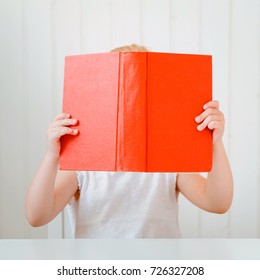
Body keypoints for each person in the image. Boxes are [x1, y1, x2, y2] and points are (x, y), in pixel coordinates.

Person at [25, 44, 233, 238]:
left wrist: (215, 143)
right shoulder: (83, 163)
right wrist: (52, 155)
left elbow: (217, 203)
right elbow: (37, 217)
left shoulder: (168, 163)